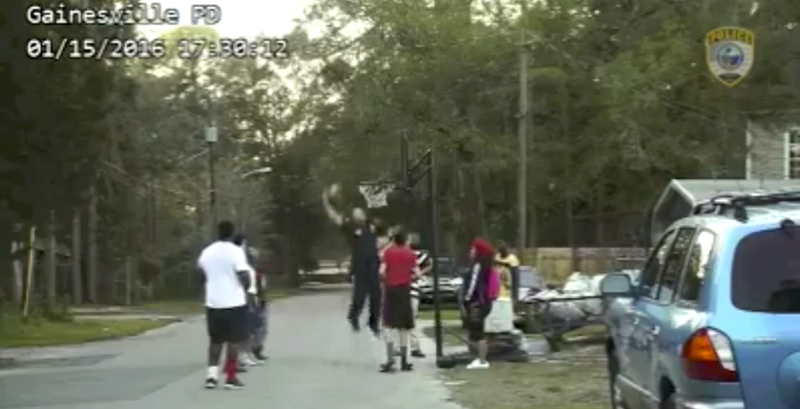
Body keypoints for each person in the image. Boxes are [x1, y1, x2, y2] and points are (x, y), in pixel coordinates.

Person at [322, 183, 382, 335]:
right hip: (360, 264)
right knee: (360, 295)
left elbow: (384, 235)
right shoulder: (349, 227)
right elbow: (334, 217)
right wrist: (326, 200)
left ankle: (373, 322)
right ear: (353, 216)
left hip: (373, 263)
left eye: (361, 212)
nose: (359, 214)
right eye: (356, 213)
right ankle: (353, 317)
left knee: (376, 294)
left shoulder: (372, 226)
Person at [198, 221, 251, 389]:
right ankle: (230, 376)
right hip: (234, 302)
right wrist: (247, 287)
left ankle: (211, 376)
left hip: (213, 303)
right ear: (232, 233)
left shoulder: (207, 252)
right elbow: (243, 275)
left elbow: (200, 275)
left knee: (215, 341)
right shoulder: (236, 252)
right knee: (233, 341)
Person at [379, 230, 419, 373]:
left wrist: (386, 279)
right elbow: (417, 273)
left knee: (388, 324)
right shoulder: (411, 254)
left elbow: (381, 271)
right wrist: (408, 277)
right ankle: (404, 361)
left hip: (391, 290)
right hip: (404, 291)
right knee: (404, 326)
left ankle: (390, 359)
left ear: (394, 241)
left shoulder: (388, 253)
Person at [462, 238, 500, 369]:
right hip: (483, 302)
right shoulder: (485, 266)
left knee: (478, 332)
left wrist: (466, 299)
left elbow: (473, 285)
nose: (470, 251)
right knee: (476, 331)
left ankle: (482, 360)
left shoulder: (478, 266)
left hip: (477, 302)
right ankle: (479, 358)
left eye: (473, 249)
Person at [232, 234, 264, 367]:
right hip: (245, 296)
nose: (246, 248)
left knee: (252, 327)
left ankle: (246, 353)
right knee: (245, 328)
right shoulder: (237, 260)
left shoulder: (247, 263)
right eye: (244, 244)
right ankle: (241, 356)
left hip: (252, 295)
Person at [485, 241, 520, 334]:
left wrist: (515, 294)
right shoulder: (497, 257)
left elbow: (515, 277)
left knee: (507, 312)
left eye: (503, 250)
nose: (501, 252)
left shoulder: (512, 259)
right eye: (500, 250)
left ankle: (507, 329)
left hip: (507, 289)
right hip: (497, 290)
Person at [409, 235, 431, 358]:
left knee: (399, 320)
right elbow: (429, 266)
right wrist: (420, 275)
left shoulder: (411, 255)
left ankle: (398, 346)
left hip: (404, 289)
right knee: (412, 320)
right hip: (413, 289)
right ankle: (414, 347)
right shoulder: (421, 256)